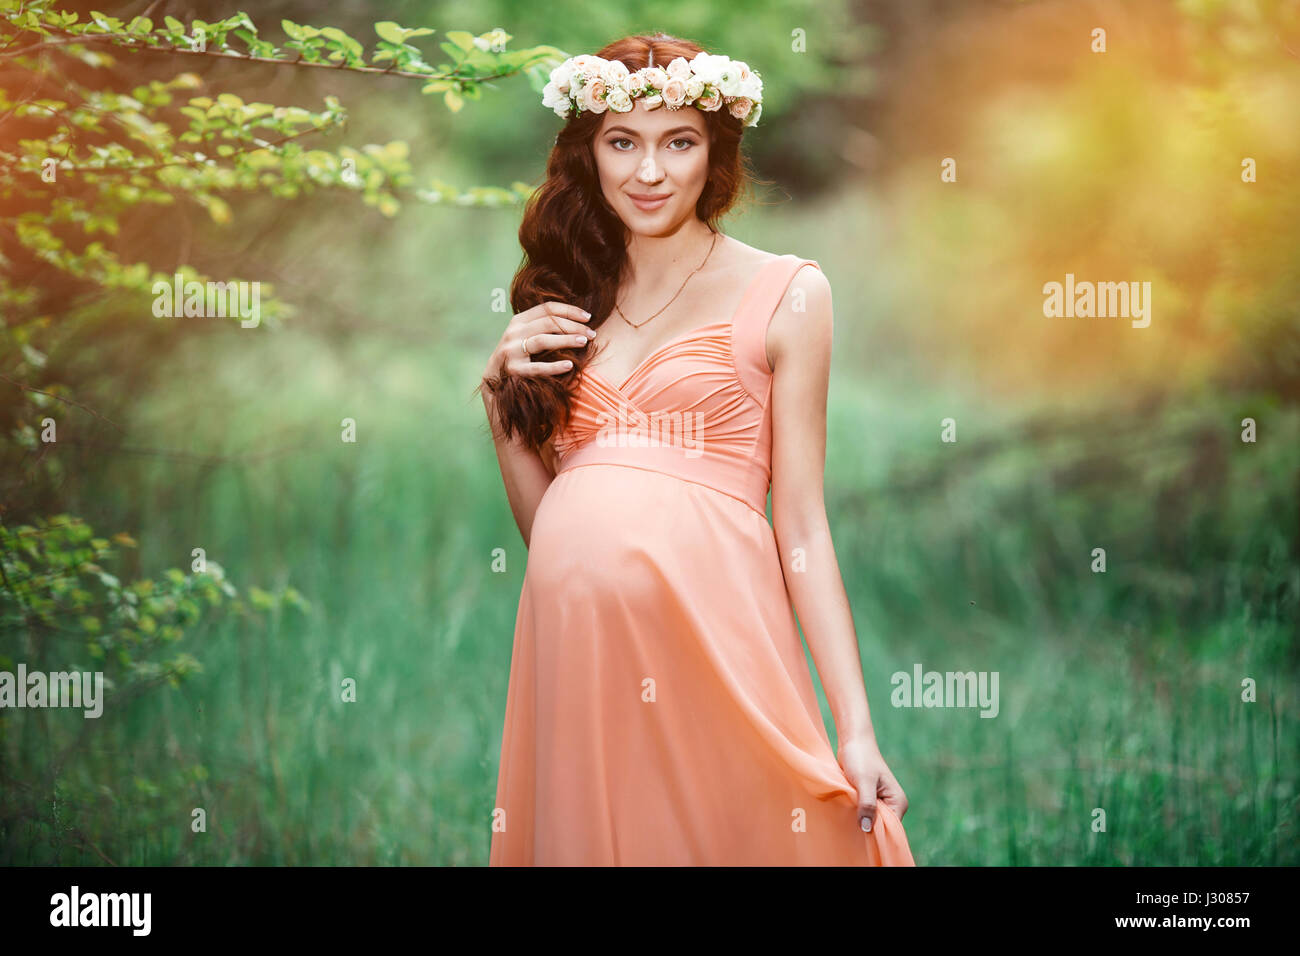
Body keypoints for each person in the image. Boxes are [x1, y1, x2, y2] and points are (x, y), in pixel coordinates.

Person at [477, 32, 915, 865]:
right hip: (578, 650)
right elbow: (552, 534)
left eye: (678, 142)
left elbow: (805, 529)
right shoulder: (567, 298)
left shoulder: (788, 292)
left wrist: (855, 727)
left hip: (717, 641)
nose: (649, 173)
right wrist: (501, 401)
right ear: (589, 154)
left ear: (715, 154)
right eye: (622, 143)